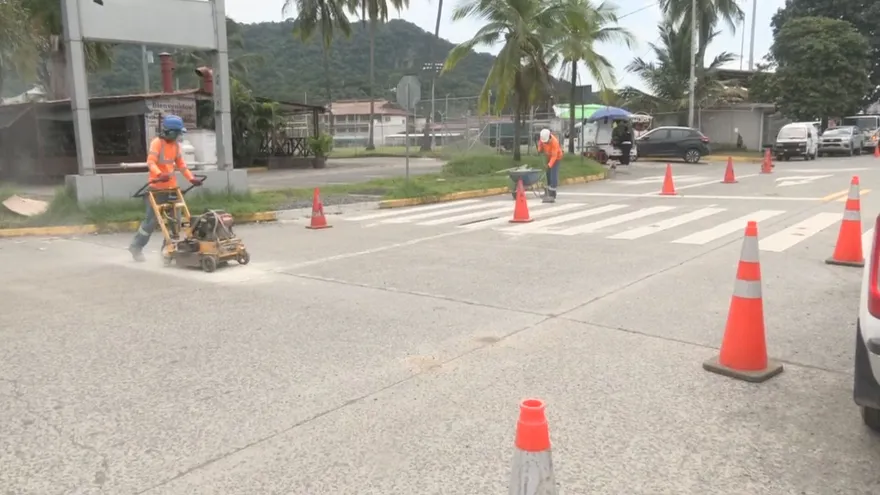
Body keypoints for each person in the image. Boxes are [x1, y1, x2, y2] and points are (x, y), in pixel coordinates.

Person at [128, 115, 202, 262]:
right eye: (177, 133)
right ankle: (136, 247)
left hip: (172, 189)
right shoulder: (157, 143)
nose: (178, 137)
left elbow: (181, 165)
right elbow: (151, 162)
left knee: (176, 221)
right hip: (156, 189)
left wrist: (191, 178)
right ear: (169, 132)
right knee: (150, 222)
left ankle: (169, 250)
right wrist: (159, 174)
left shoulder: (176, 146)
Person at [538, 128, 564, 203]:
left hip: (556, 158)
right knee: (548, 174)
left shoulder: (554, 142)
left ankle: (552, 194)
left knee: (553, 174)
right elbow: (540, 144)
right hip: (549, 156)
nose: (545, 143)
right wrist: (539, 149)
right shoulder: (543, 138)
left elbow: (554, 156)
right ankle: (548, 192)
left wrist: (549, 165)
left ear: (549, 137)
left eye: (546, 142)